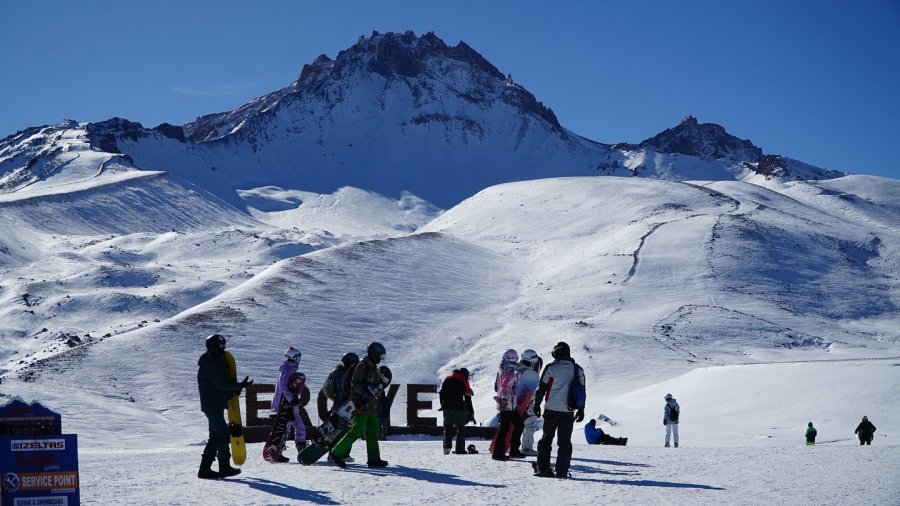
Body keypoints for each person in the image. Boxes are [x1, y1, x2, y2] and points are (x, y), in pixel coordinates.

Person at [196, 334, 252, 479]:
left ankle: (204, 470)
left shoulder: (214, 361)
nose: (223, 349)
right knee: (223, 433)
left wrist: (238, 386)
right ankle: (224, 467)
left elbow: (222, 382)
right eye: (221, 347)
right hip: (212, 405)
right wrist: (237, 386)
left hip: (215, 404)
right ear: (213, 348)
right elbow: (220, 384)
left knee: (214, 436)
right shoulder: (210, 363)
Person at [329, 342, 389, 469]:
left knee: (373, 431)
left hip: (370, 405)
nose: (380, 359)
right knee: (356, 430)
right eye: (380, 356)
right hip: (360, 404)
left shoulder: (372, 367)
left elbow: (373, 385)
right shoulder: (362, 365)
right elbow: (354, 385)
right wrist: (362, 396)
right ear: (373, 354)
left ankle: (374, 459)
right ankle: (336, 453)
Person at [533, 341, 586, 479]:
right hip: (568, 411)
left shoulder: (551, 367)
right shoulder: (578, 369)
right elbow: (581, 391)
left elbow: (541, 388)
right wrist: (581, 410)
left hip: (551, 408)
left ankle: (543, 468)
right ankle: (562, 471)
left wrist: (536, 405)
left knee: (546, 440)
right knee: (564, 443)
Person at [270, 346, 306, 462]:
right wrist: (292, 400)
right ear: (291, 357)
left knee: (291, 428)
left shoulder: (290, 369)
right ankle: (300, 450)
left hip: (289, 404)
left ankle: (298, 450)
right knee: (291, 428)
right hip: (284, 405)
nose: (298, 360)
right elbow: (283, 387)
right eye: (297, 357)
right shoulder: (287, 370)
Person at [491, 349, 523, 461]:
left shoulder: (500, 370)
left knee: (505, 427)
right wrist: (505, 398)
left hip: (502, 402)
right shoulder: (509, 370)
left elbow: (496, 387)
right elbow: (505, 386)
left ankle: (498, 452)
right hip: (508, 403)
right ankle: (513, 450)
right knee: (519, 425)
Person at [439, 367, 475, 455]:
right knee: (460, 428)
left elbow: (441, 393)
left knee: (447, 428)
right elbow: (468, 399)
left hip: (447, 408)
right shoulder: (463, 381)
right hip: (458, 408)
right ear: (465, 375)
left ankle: (447, 447)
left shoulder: (447, 379)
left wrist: (442, 405)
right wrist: (471, 412)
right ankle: (460, 449)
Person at [513, 350, 541, 457]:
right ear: (529, 360)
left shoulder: (516, 370)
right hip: (527, 402)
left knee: (514, 425)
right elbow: (530, 390)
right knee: (530, 425)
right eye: (534, 360)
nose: (534, 362)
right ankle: (527, 448)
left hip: (514, 403)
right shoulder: (527, 373)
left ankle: (511, 446)